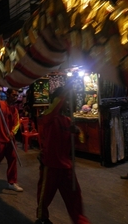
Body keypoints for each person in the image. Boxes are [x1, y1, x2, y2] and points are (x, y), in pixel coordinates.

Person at [35, 87, 90, 224]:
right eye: (63, 100)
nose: (66, 103)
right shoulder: (47, 116)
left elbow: (79, 142)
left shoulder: (67, 120)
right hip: (51, 166)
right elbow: (53, 109)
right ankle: (42, 219)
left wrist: (77, 132)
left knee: (75, 199)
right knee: (44, 197)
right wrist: (64, 93)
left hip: (66, 167)